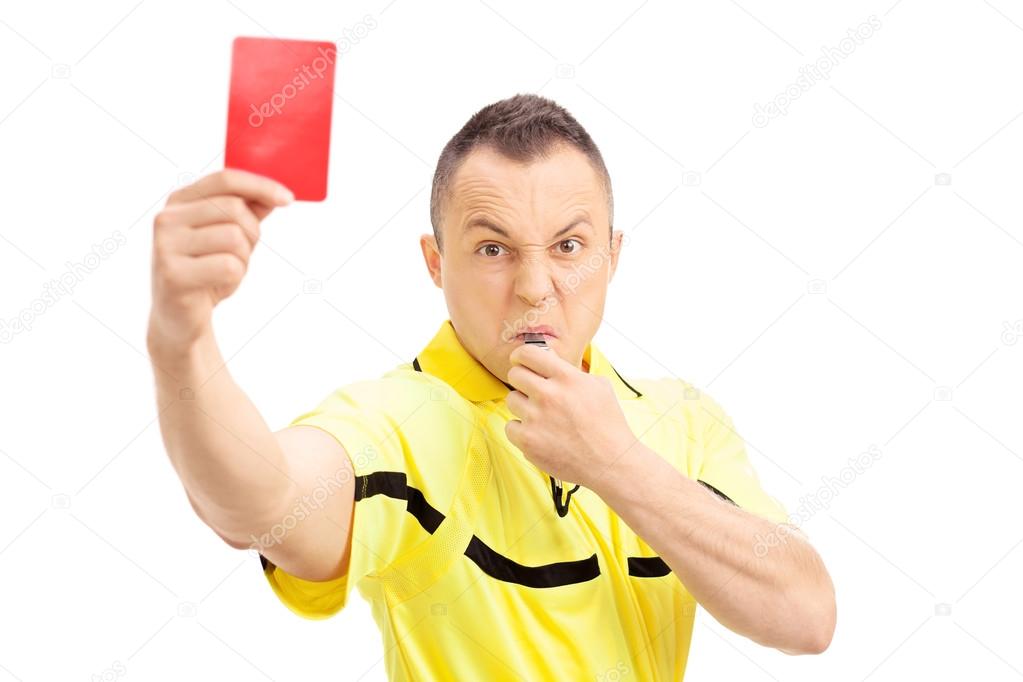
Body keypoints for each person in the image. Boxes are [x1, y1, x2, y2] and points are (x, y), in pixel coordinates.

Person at [147, 93, 835, 681]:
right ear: (435, 262)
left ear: (610, 257)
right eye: (492, 249)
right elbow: (260, 505)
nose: (535, 289)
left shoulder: (683, 419)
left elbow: (805, 618)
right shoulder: (400, 419)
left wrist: (614, 464)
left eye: (567, 247)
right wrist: (181, 343)